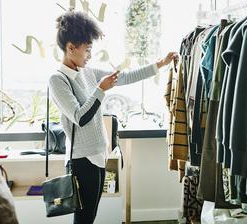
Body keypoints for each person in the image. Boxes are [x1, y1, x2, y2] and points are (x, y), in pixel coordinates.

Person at [49, 10, 178, 224]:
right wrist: (101, 89)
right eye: (87, 50)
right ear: (70, 47)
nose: (89, 55)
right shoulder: (58, 80)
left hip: (99, 155)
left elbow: (126, 77)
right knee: (84, 219)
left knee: (90, 215)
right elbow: (80, 117)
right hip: (82, 161)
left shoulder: (87, 72)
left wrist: (161, 64)